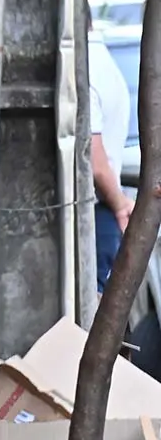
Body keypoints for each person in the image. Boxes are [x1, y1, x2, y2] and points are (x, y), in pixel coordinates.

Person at [87, 19, 132, 294]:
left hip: (97, 209)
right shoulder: (104, 63)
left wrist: (118, 204)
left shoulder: (87, 70)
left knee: (92, 315)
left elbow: (95, 162)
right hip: (103, 210)